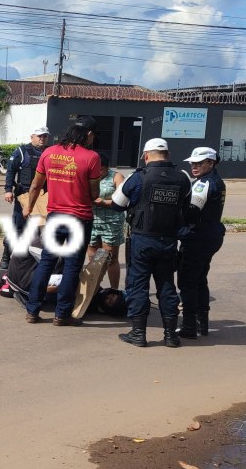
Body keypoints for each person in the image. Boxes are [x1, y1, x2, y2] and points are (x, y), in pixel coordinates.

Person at [100, 138, 191, 347]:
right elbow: (186, 207)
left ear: (146, 155)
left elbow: (117, 204)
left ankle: (138, 333)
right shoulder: (183, 177)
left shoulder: (138, 177)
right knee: (166, 286)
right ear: (168, 155)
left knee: (138, 286)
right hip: (168, 240)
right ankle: (171, 335)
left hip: (142, 239)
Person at [20, 116, 102, 326]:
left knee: (47, 261)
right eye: (93, 136)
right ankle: (62, 314)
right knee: (72, 266)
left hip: (55, 216)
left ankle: (32, 311)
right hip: (79, 218)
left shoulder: (49, 152)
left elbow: (36, 185)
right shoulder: (92, 157)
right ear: (89, 134)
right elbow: (94, 194)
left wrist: (28, 207)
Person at [177, 146, 227, 339]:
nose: (194, 166)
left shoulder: (204, 183)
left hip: (197, 237)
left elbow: (191, 211)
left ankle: (189, 326)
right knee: (199, 279)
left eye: (199, 163)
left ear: (211, 163)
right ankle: (201, 324)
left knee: (188, 281)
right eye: (192, 163)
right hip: (210, 236)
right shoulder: (216, 181)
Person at [0, 126, 50, 270]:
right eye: (39, 136)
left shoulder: (50, 152)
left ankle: (36, 260)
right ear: (32, 137)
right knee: (18, 227)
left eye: (45, 136)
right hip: (24, 194)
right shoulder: (22, 151)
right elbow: (11, 171)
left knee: (42, 228)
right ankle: (6, 256)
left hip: (44, 195)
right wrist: (8, 190)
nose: (42, 139)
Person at [87, 153, 125, 289]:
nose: (98, 172)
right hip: (92, 221)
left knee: (110, 258)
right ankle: (93, 291)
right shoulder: (88, 176)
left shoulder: (116, 177)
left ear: (107, 167)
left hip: (111, 223)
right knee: (93, 259)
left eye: (101, 169)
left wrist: (104, 203)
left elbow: (122, 200)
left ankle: (114, 291)